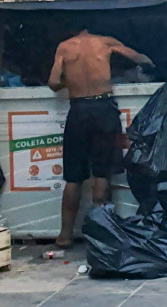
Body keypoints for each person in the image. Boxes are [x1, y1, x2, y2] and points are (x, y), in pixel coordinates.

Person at [48, 29, 154, 248]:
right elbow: (138, 57)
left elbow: (52, 82)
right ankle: (102, 233)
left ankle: (64, 236)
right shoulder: (105, 42)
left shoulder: (64, 46)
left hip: (78, 110)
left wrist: (72, 83)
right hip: (103, 109)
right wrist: (151, 64)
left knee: (74, 177)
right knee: (102, 172)